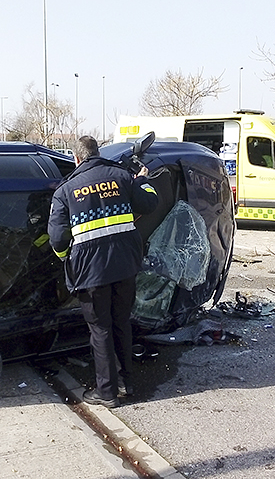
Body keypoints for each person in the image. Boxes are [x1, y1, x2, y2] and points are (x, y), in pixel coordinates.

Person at [48, 135, 158, 408]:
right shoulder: (122, 177)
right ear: (97, 152)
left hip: (91, 272)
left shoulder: (65, 190)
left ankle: (106, 392)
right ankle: (126, 382)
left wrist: (66, 259)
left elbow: (57, 238)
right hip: (125, 265)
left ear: (76, 158)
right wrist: (142, 181)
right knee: (121, 322)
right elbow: (149, 204)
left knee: (100, 329)